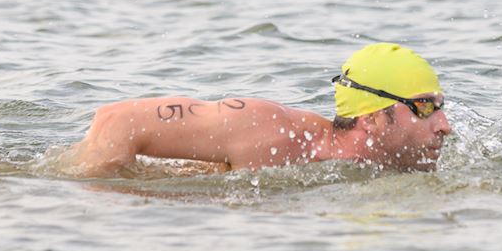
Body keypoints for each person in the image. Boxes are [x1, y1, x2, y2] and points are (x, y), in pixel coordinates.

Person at [62, 43, 451, 177]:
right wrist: (96, 198)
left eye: (441, 108)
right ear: (370, 116)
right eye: (424, 108)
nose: (444, 126)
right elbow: (118, 119)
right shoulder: (273, 131)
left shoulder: (394, 167)